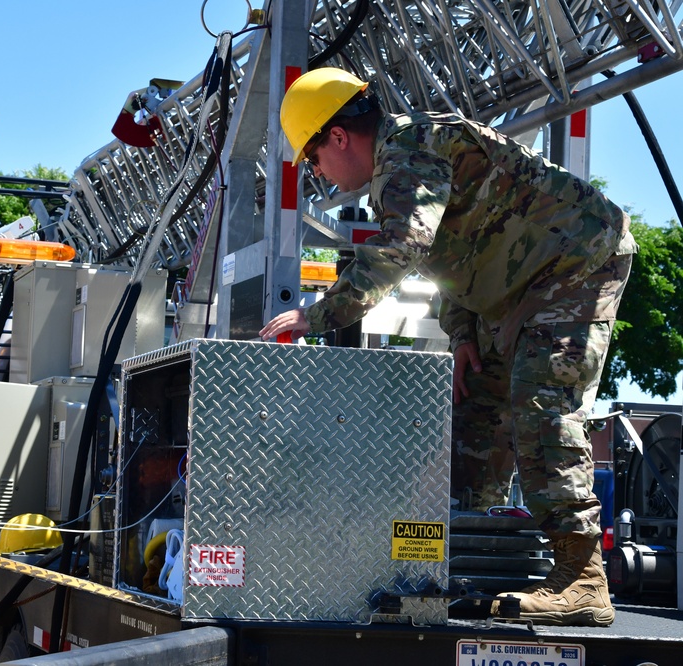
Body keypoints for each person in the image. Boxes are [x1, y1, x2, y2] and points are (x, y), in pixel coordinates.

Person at [259, 67, 635, 627]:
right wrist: (463, 335)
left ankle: (582, 579)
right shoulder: (406, 163)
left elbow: (401, 249)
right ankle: (469, 562)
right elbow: (456, 258)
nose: (317, 172)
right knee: (474, 412)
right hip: (519, 287)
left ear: (338, 136)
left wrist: (313, 316)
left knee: (540, 400)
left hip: (578, 260)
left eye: (312, 158)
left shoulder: (408, 147)